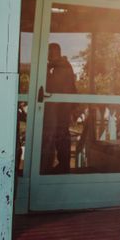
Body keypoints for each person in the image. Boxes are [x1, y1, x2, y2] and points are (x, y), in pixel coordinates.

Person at [41, 42, 77, 174]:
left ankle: (61, 167)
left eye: (50, 52)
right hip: (58, 107)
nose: (48, 56)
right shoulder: (57, 66)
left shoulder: (62, 66)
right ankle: (56, 166)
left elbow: (55, 86)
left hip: (60, 107)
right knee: (56, 136)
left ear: (57, 53)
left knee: (58, 136)